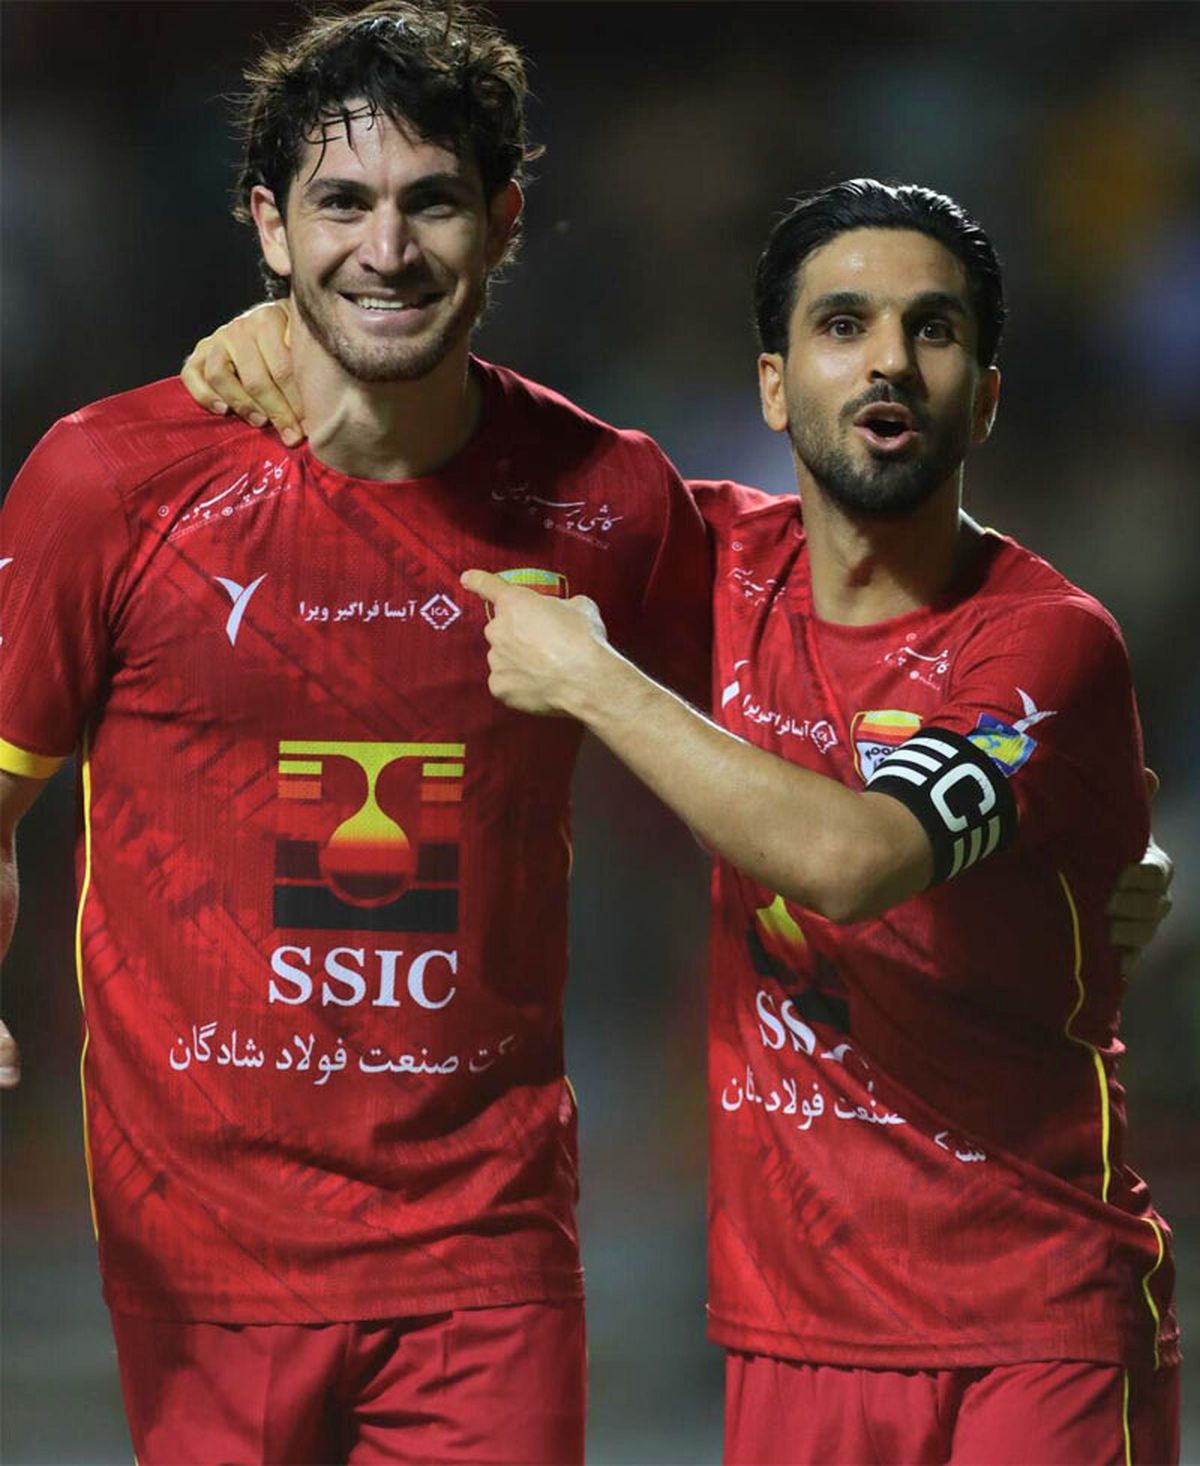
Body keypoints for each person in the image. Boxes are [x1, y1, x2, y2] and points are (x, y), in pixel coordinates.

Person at [182, 175, 1177, 1463]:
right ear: (773, 386)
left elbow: (851, 861)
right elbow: (459, 470)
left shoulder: (1044, 642)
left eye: (932, 330)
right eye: (842, 325)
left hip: (1034, 1328)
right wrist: (295, 343)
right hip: (791, 1343)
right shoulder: (708, 562)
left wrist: (595, 681)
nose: (887, 359)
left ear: (984, 397)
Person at [0, 3, 711, 1462]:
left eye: (432, 201)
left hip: (487, 1257)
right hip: (200, 1263)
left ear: (504, 222)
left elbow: (781, 732)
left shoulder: (612, 502)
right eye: (340, 203)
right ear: (269, 226)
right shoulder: (106, 484)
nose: (385, 249)